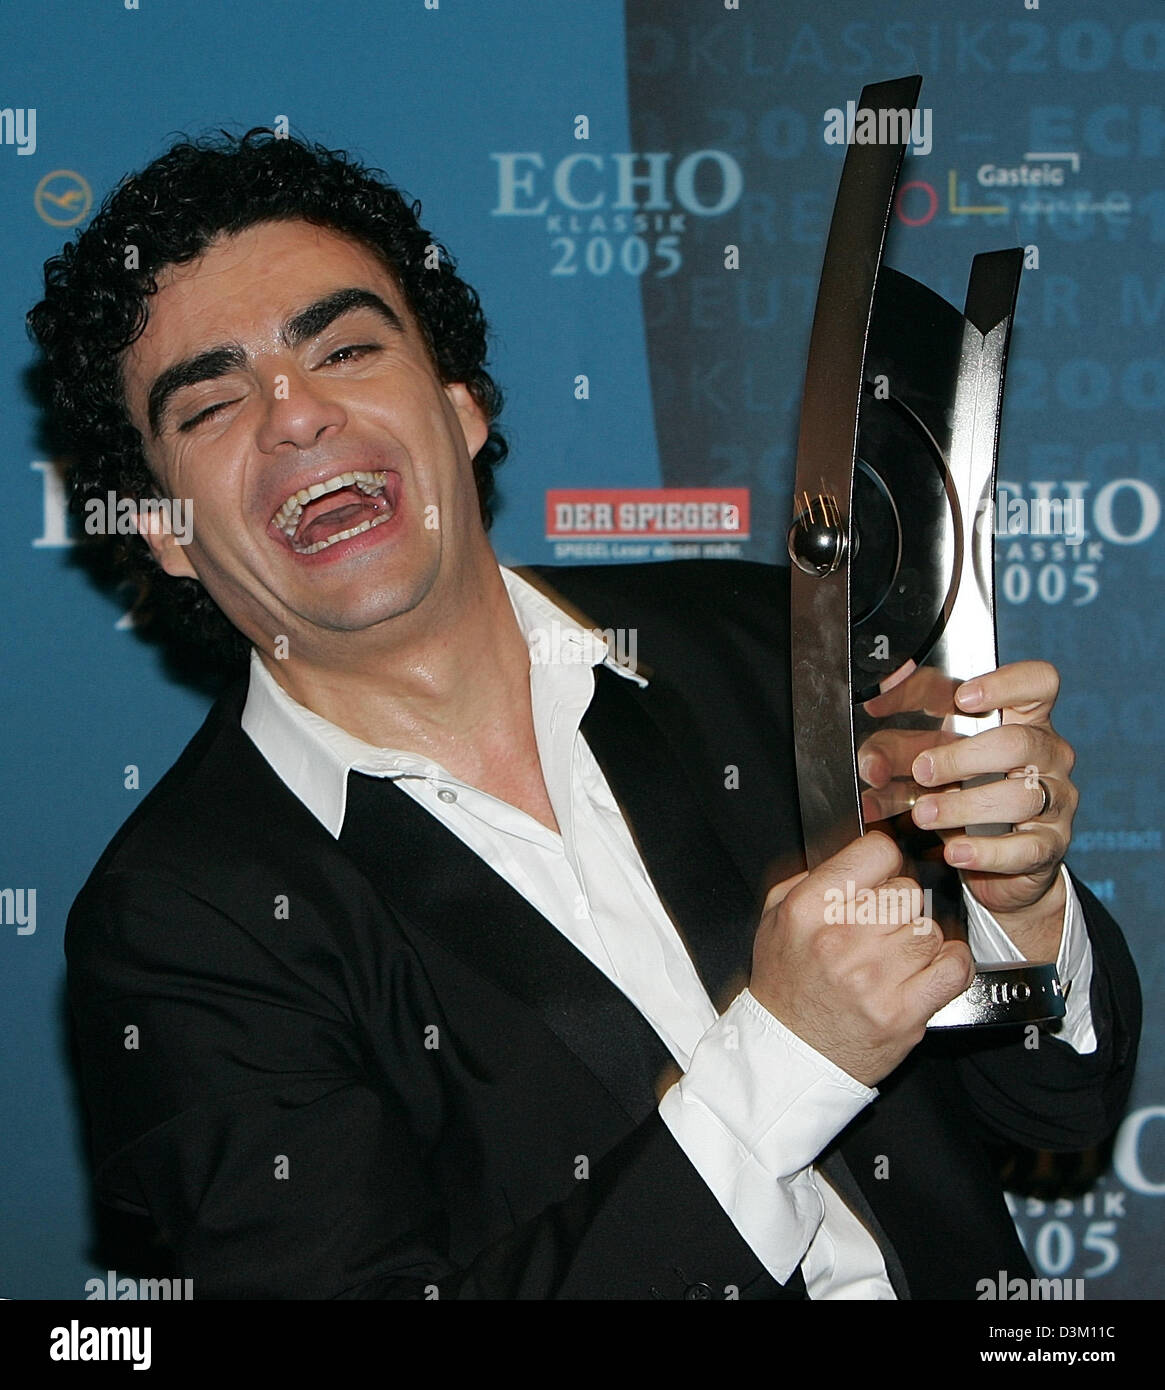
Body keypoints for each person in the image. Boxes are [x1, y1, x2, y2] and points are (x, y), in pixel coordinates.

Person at [30, 130, 1139, 1300]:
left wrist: (1012, 908)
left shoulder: (765, 647)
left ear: (460, 407)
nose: (294, 417)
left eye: (347, 348)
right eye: (209, 405)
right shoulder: (178, 925)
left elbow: (1051, 1096)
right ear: (163, 532)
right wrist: (793, 1054)